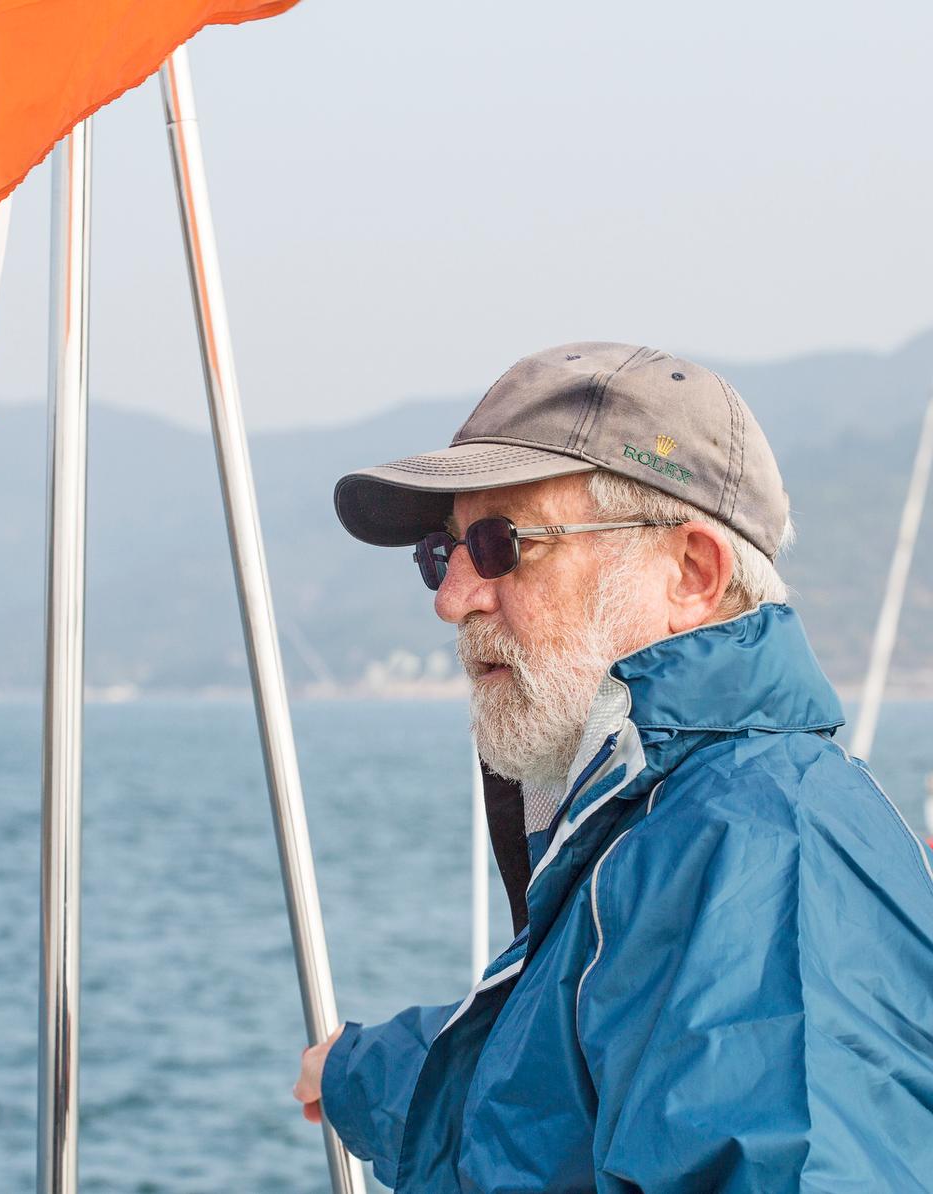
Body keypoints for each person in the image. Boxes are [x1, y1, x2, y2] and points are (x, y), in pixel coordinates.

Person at [293, 343, 933, 1192]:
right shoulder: (666, 826)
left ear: (691, 574)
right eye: (444, 554)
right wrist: (358, 1074)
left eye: (501, 543)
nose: (452, 598)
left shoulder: (765, 858)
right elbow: (540, 1114)